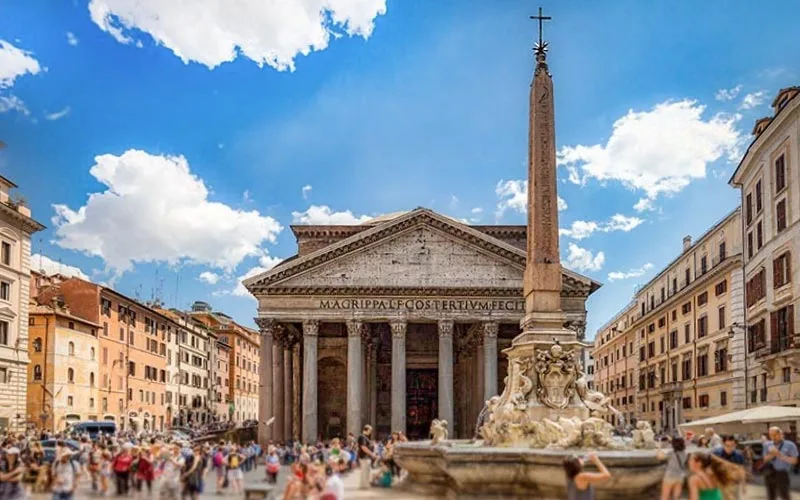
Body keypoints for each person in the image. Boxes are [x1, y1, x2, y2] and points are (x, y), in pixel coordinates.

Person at [761, 426, 798, 500]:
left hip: (782, 473)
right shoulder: (767, 445)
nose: (773, 437)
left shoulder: (790, 445)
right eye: (771, 435)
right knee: (771, 496)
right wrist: (772, 454)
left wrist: (780, 455)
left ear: (780, 434)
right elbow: (764, 460)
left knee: (784, 495)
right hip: (769, 472)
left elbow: (795, 461)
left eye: (775, 435)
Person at [712, 435, 746, 500]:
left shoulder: (738, 455)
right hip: (720, 484)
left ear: (735, 445)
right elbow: (712, 470)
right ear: (723, 444)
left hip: (733, 484)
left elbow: (741, 470)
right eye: (727, 446)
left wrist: (743, 485)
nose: (730, 448)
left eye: (732, 446)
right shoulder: (716, 454)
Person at [357, 424, 378, 490]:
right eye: (370, 430)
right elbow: (363, 447)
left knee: (366, 471)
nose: (371, 432)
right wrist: (372, 454)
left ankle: (365, 485)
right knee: (364, 472)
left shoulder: (365, 437)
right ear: (367, 430)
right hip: (364, 457)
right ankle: (364, 486)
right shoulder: (362, 437)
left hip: (366, 457)